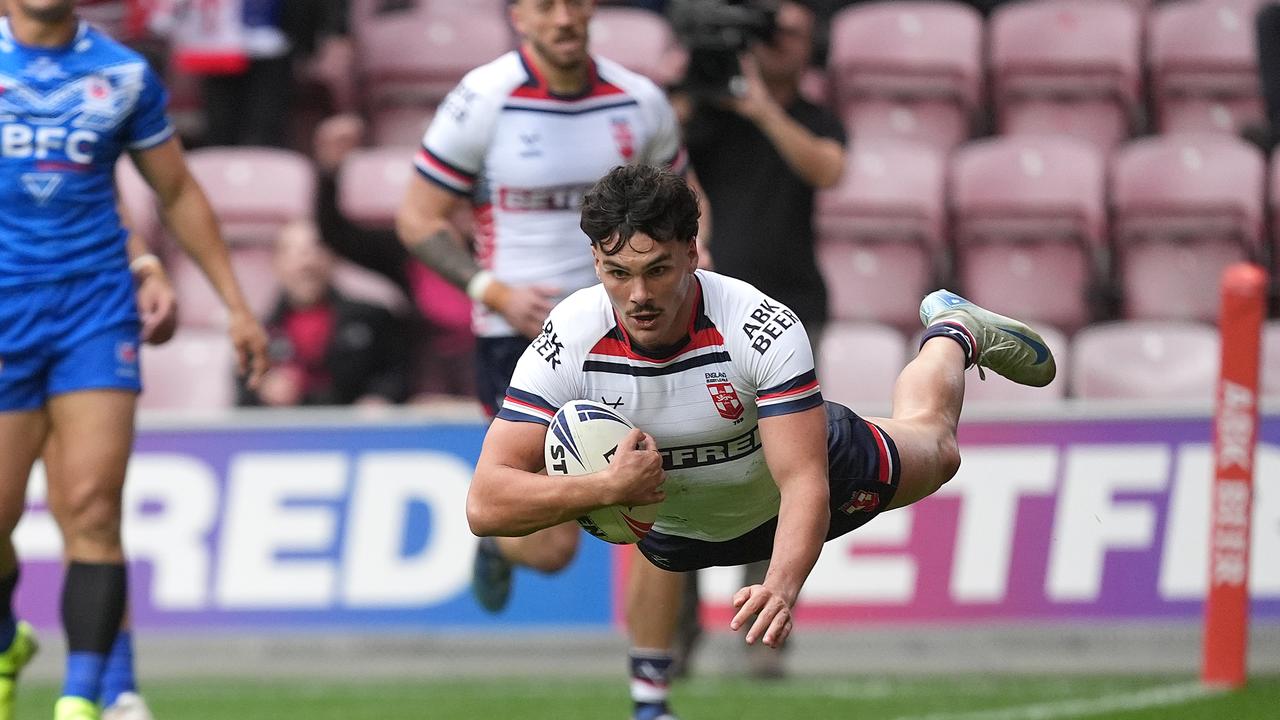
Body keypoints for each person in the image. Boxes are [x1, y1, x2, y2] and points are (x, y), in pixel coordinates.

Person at [467, 164, 1056, 720]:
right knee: (614, 549)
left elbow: (803, 482)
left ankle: (952, 333)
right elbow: (485, 504)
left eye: (658, 270)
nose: (638, 295)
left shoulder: (758, 326)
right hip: (676, 535)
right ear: (596, 261)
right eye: (618, 273)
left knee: (940, 451)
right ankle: (650, 698)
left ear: (692, 254)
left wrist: (779, 586)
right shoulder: (568, 340)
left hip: (790, 493)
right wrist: (605, 487)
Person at [0, 3, 270, 720]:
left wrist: (236, 305)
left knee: (91, 505)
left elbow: (174, 189)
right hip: (5, 314)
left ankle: (86, 700)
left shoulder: (121, 73)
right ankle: (9, 644)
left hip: (93, 311)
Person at [394, 0, 690, 615]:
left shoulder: (639, 101)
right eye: (544, 5)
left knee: (659, 509)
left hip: (633, 324)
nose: (562, 18)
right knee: (554, 549)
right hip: (522, 341)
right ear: (518, 15)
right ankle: (503, 547)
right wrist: (492, 291)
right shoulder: (485, 98)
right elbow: (416, 219)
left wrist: (691, 257)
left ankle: (650, 700)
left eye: (573, 2)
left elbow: (686, 200)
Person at [673, 0, 846, 678]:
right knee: (681, 464)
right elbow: (662, 161)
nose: (777, 44)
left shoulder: (810, 116)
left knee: (781, 474)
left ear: (810, 47)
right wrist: (690, 90)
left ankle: (765, 628)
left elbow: (827, 168)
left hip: (790, 309)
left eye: (790, 34)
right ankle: (675, 637)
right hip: (705, 308)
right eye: (767, 33)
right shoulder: (706, 116)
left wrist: (761, 109)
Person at [238, 219, 411, 407]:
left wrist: (380, 398)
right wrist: (265, 390)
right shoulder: (257, 332)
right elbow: (242, 398)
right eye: (293, 252)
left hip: (358, 431)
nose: (306, 262)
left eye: (316, 248)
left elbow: (397, 375)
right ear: (276, 263)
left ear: (334, 257)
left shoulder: (373, 318)